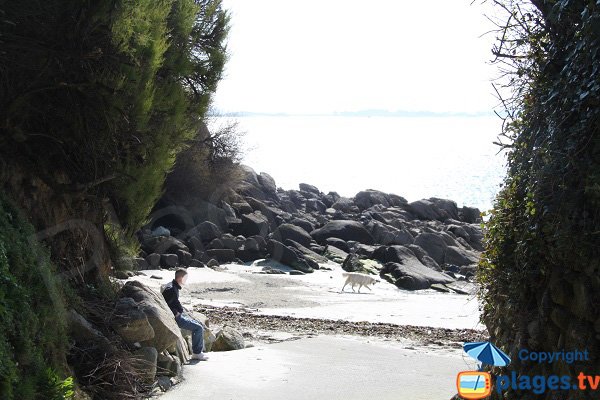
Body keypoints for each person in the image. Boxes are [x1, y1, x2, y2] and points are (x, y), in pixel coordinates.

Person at [162, 269, 209, 361]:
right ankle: (197, 353)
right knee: (198, 328)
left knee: (198, 325)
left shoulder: (172, 286)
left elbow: (173, 302)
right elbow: (166, 303)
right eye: (185, 278)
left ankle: (197, 352)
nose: (186, 280)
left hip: (179, 315)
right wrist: (176, 312)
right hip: (176, 318)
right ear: (180, 278)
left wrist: (179, 309)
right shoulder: (171, 289)